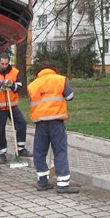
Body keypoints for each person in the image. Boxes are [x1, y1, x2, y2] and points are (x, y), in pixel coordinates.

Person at [27, 62, 79, 194]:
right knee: (60, 151)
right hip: (56, 121)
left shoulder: (33, 85)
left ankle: (42, 181)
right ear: (53, 70)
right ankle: (62, 184)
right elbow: (70, 96)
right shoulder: (60, 80)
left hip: (41, 124)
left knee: (39, 152)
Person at [0, 53, 32, 164]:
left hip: (12, 106)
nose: (5, 66)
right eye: (2, 64)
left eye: (6, 64)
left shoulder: (15, 72)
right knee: (0, 131)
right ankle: (2, 153)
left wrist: (11, 84)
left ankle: (21, 149)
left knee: (22, 123)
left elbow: (19, 87)